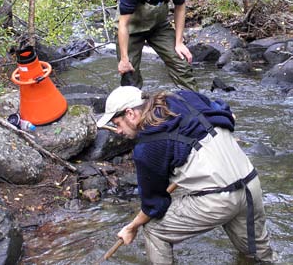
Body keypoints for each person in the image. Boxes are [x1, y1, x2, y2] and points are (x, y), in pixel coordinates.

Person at [97, 86, 275, 264]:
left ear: (130, 113)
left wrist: (132, 227)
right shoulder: (183, 97)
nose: (118, 131)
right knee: (258, 257)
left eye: (117, 123)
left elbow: (154, 205)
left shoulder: (146, 147)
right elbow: (227, 114)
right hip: (251, 184)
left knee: (153, 228)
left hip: (218, 201)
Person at [115, 0, 198, 91]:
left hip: (158, 27)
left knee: (181, 62)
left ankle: (197, 103)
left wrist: (179, 42)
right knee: (129, 73)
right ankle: (134, 109)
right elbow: (123, 24)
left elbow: (180, 8)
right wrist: (124, 59)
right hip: (132, 29)